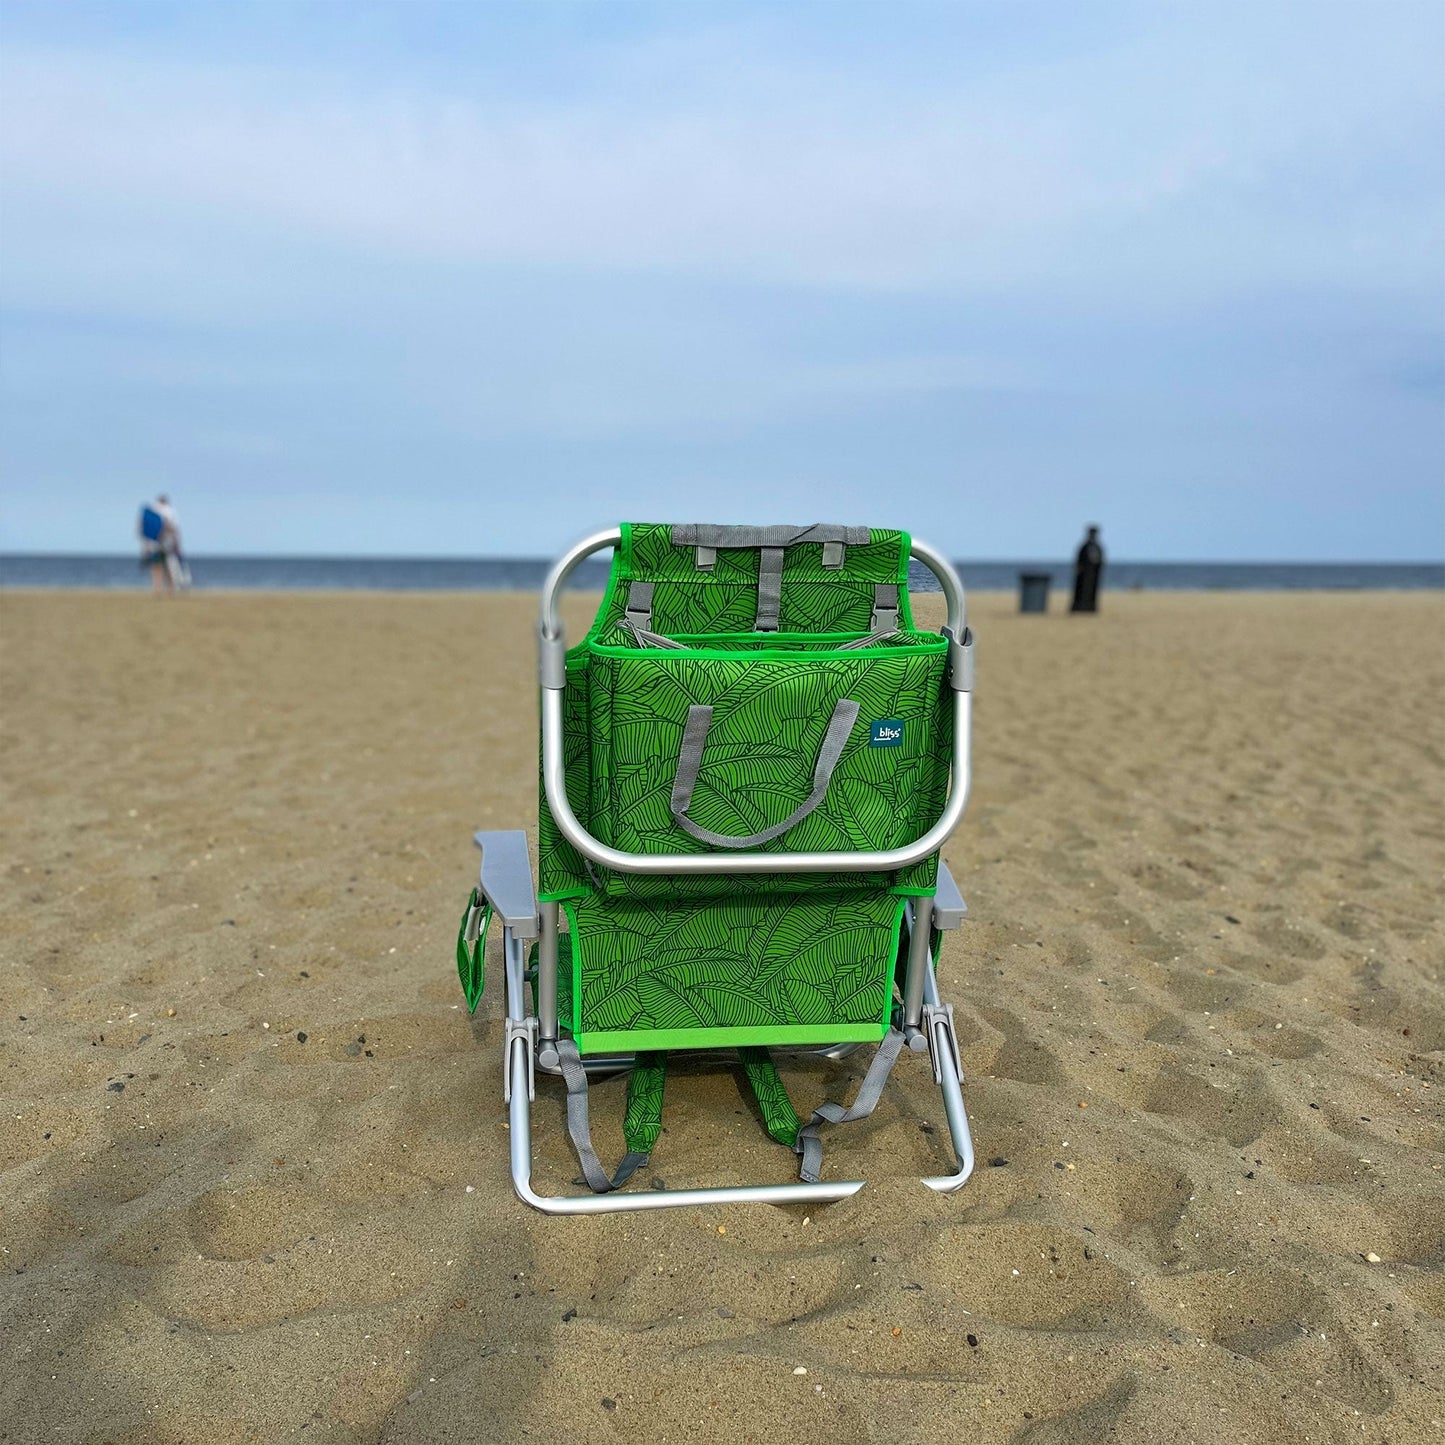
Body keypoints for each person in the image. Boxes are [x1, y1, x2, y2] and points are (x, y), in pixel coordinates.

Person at [138, 495, 187, 594]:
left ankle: (157, 589)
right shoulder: (170, 511)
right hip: (167, 543)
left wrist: (145, 545)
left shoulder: (153, 511)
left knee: (157, 567)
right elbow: (174, 529)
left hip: (155, 544)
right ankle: (169, 590)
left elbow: (142, 528)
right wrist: (177, 544)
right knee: (168, 566)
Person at [1071, 525, 1104, 613]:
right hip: (1084, 574)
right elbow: (1080, 560)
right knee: (1081, 591)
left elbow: (1100, 561)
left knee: (1091, 592)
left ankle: (1090, 608)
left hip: (1093, 574)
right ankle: (1080, 608)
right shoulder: (1085, 546)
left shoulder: (1097, 547)